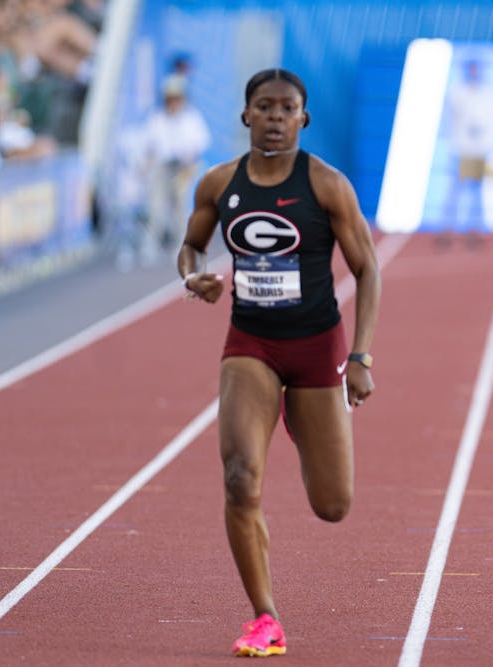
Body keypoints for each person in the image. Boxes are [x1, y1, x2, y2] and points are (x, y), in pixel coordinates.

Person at [177, 68, 381, 657]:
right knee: (240, 478)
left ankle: (302, 415)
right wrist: (193, 275)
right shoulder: (219, 184)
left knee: (333, 505)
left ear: (303, 118)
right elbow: (190, 244)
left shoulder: (326, 184)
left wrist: (361, 355)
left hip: (318, 347)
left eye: (285, 108)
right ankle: (264, 617)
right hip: (251, 345)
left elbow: (368, 269)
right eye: (263, 107)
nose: (273, 117)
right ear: (245, 115)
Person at [141, 73, 210, 263]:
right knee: (157, 208)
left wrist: (190, 159)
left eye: (177, 97)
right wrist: (145, 168)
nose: (174, 102)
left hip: (183, 167)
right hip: (162, 167)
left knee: (180, 208)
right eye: (171, 98)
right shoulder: (157, 118)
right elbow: (150, 146)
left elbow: (200, 143)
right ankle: (152, 245)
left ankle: (182, 246)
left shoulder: (191, 118)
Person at [438, 56, 493, 246]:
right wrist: (454, 143)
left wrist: (490, 143)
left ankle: (474, 229)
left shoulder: (491, 93)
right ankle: (447, 229)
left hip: (482, 149)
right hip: (462, 147)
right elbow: (449, 120)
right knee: (455, 190)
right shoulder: (456, 92)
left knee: (477, 192)